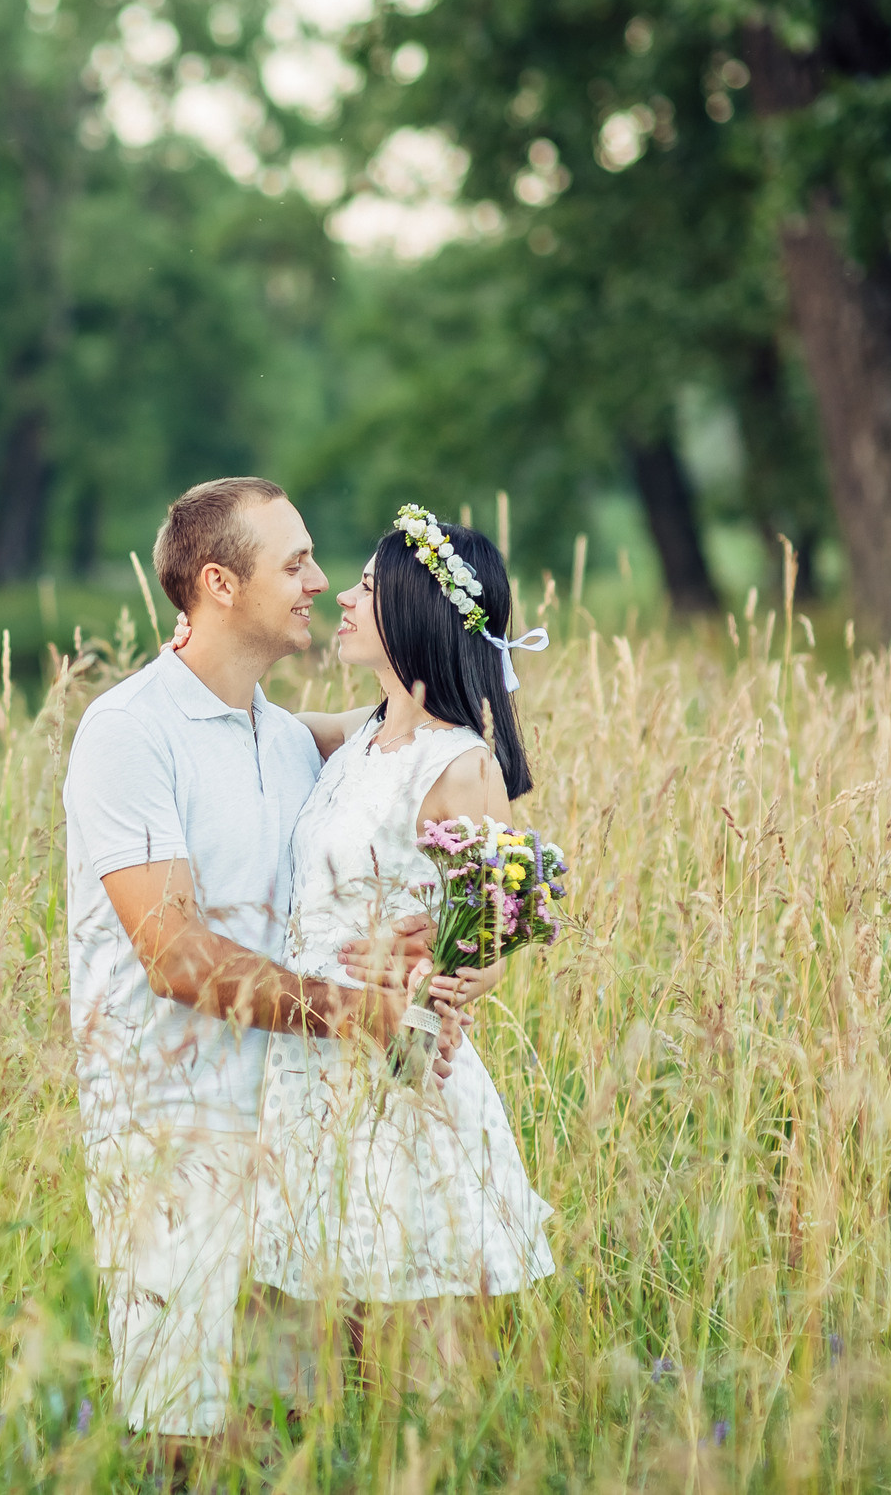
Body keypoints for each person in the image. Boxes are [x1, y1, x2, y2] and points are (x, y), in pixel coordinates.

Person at [60, 477, 459, 1457]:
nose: (320, 580)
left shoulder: (284, 735)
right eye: (295, 562)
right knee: (187, 1425)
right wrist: (366, 1014)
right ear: (217, 584)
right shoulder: (129, 731)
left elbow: (422, 750)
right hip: (171, 1130)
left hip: (293, 1132)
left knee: (291, 1423)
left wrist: (475, 947)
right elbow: (176, 954)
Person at [252, 505, 557, 1394]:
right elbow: (263, 728)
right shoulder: (363, 733)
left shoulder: (459, 765)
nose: (342, 598)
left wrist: (435, 971)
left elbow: (495, 937)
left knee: (417, 1359)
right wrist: (187, 677)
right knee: (316, 1343)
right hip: (310, 1064)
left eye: (366, 588)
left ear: (417, 613)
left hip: (397, 1071)